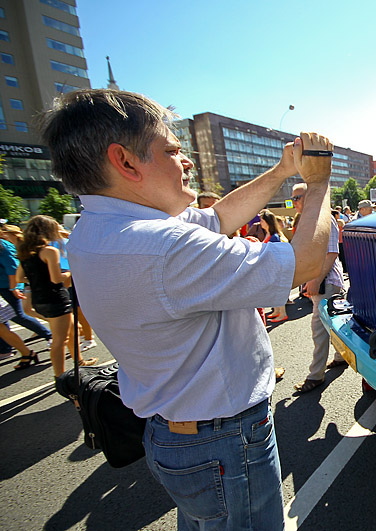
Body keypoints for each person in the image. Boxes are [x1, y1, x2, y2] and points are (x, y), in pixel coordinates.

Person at [41, 88, 334, 530]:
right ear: (124, 161)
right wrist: (318, 181)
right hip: (223, 440)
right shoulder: (161, 245)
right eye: (172, 150)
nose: (187, 160)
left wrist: (282, 170)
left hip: (177, 436)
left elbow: (218, 219)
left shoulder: (98, 230)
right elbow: (307, 262)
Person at [16, 215, 97, 377]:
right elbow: (56, 279)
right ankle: (59, 377)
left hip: (40, 298)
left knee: (74, 329)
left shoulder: (26, 252)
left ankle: (79, 361)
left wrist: (38, 279)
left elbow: (19, 278)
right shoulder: (49, 251)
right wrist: (72, 272)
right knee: (60, 341)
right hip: (56, 299)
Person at [290, 183, 347, 394]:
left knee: (319, 329)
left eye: (298, 197)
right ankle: (341, 357)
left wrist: (314, 280)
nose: (294, 202)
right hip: (322, 281)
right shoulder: (310, 220)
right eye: (293, 198)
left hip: (326, 282)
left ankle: (315, 376)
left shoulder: (324, 218)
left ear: (312, 198)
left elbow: (331, 253)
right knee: (331, 324)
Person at [0, 224, 53, 357]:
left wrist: (14, 287)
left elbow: (13, 269)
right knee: (6, 319)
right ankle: (5, 349)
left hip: (10, 286)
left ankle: (50, 334)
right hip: (7, 286)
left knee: (20, 315)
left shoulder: (4, 246)